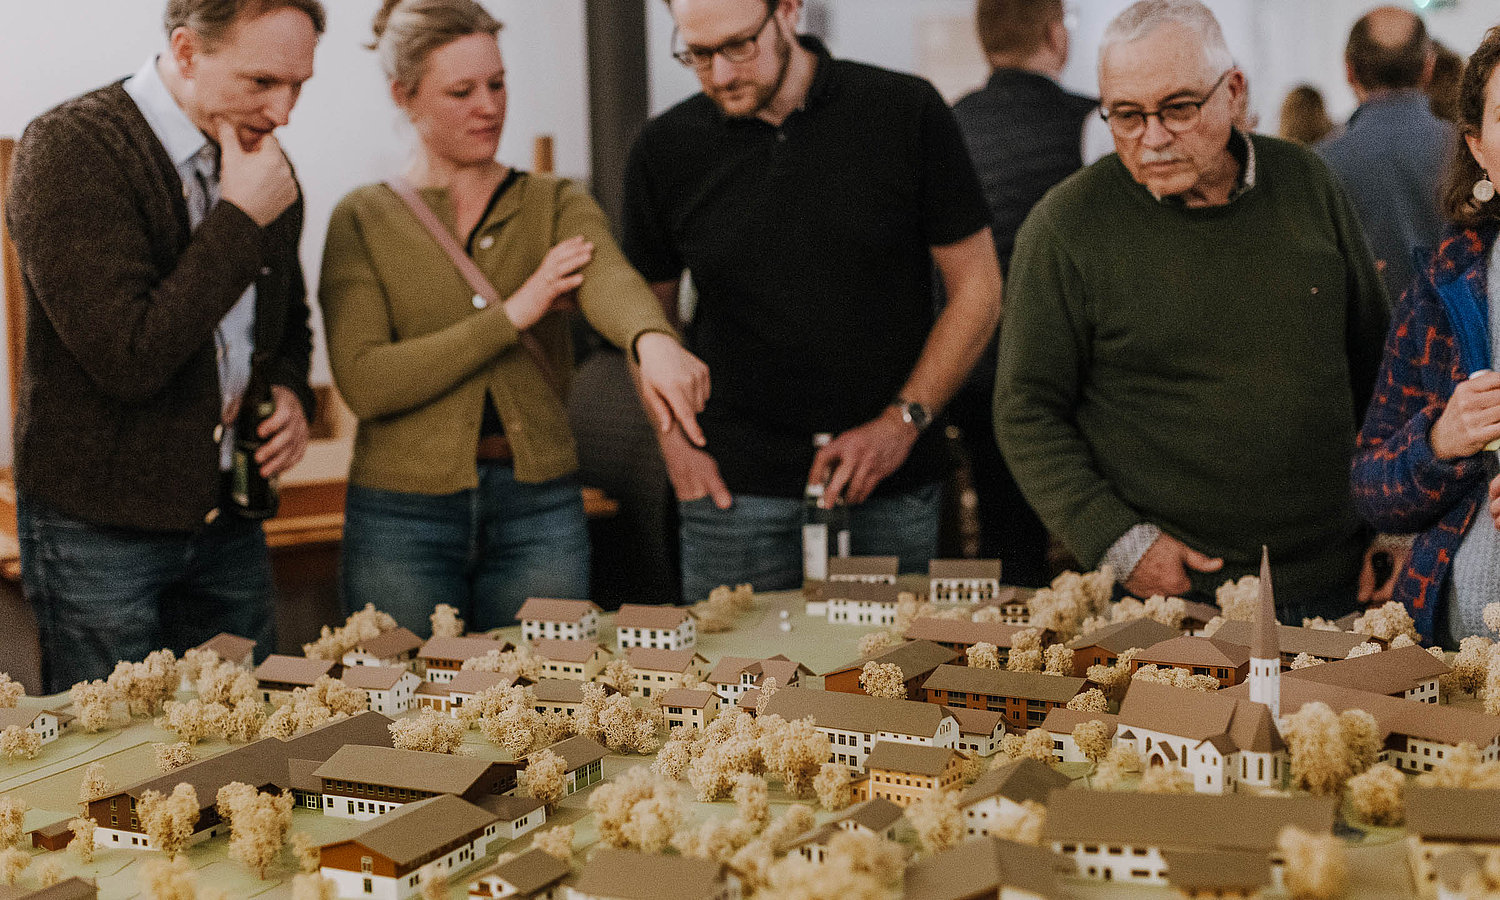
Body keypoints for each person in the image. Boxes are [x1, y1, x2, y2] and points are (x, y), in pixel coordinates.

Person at [319, 0, 709, 636]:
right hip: (401, 515)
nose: (489, 106)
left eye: (497, 84)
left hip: (539, 505)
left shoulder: (552, 202)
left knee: (546, 685)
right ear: (403, 95)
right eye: (462, 91)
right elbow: (366, 380)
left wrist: (652, 340)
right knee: (400, 692)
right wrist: (516, 313)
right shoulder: (362, 219)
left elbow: (610, 279)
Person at [994, 0, 1390, 621]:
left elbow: (1382, 368)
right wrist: (1121, 543)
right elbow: (1026, 410)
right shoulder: (1065, 229)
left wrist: (1394, 522)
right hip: (1175, 601)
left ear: (1233, 91)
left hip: (1340, 579)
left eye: (1178, 108)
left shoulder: (1306, 182)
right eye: (1126, 115)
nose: (1152, 138)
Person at [622, 0, 1002, 604]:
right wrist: (675, 449)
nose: (720, 74)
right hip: (732, 492)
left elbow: (978, 289)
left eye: (739, 45)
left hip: (887, 478)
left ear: (789, 11)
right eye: (697, 54)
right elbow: (643, 322)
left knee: (887, 662)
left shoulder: (903, 111)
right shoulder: (664, 148)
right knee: (730, 666)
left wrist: (902, 422)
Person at [5, 0, 322, 694]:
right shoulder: (70, 148)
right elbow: (128, 358)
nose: (283, 113)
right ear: (185, 51)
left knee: (248, 730)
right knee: (111, 744)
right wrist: (241, 219)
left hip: (229, 515)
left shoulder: (262, 162)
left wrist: (293, 392)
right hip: (99, 527)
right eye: (262, 82)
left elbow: (288, 326)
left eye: (298, 85)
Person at [1352, 24, 1500, 648]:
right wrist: (1441, 441)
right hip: (1453, 659)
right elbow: (1371, 486)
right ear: (1477, 147)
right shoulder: (1445, 282)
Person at [947, 0, 1096, 587]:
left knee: (1006, 539)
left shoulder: (951, 125)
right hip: (1075, 375)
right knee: (1093, 545)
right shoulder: (1092, 125)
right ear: (1056, 36)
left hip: (975, 367)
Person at [1317, 6, 1455, 306]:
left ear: (1348, 70)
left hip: (1369, 331)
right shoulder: (1468, 150)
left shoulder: (1320, 164)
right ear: (1429, 67)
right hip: (1458, 331)